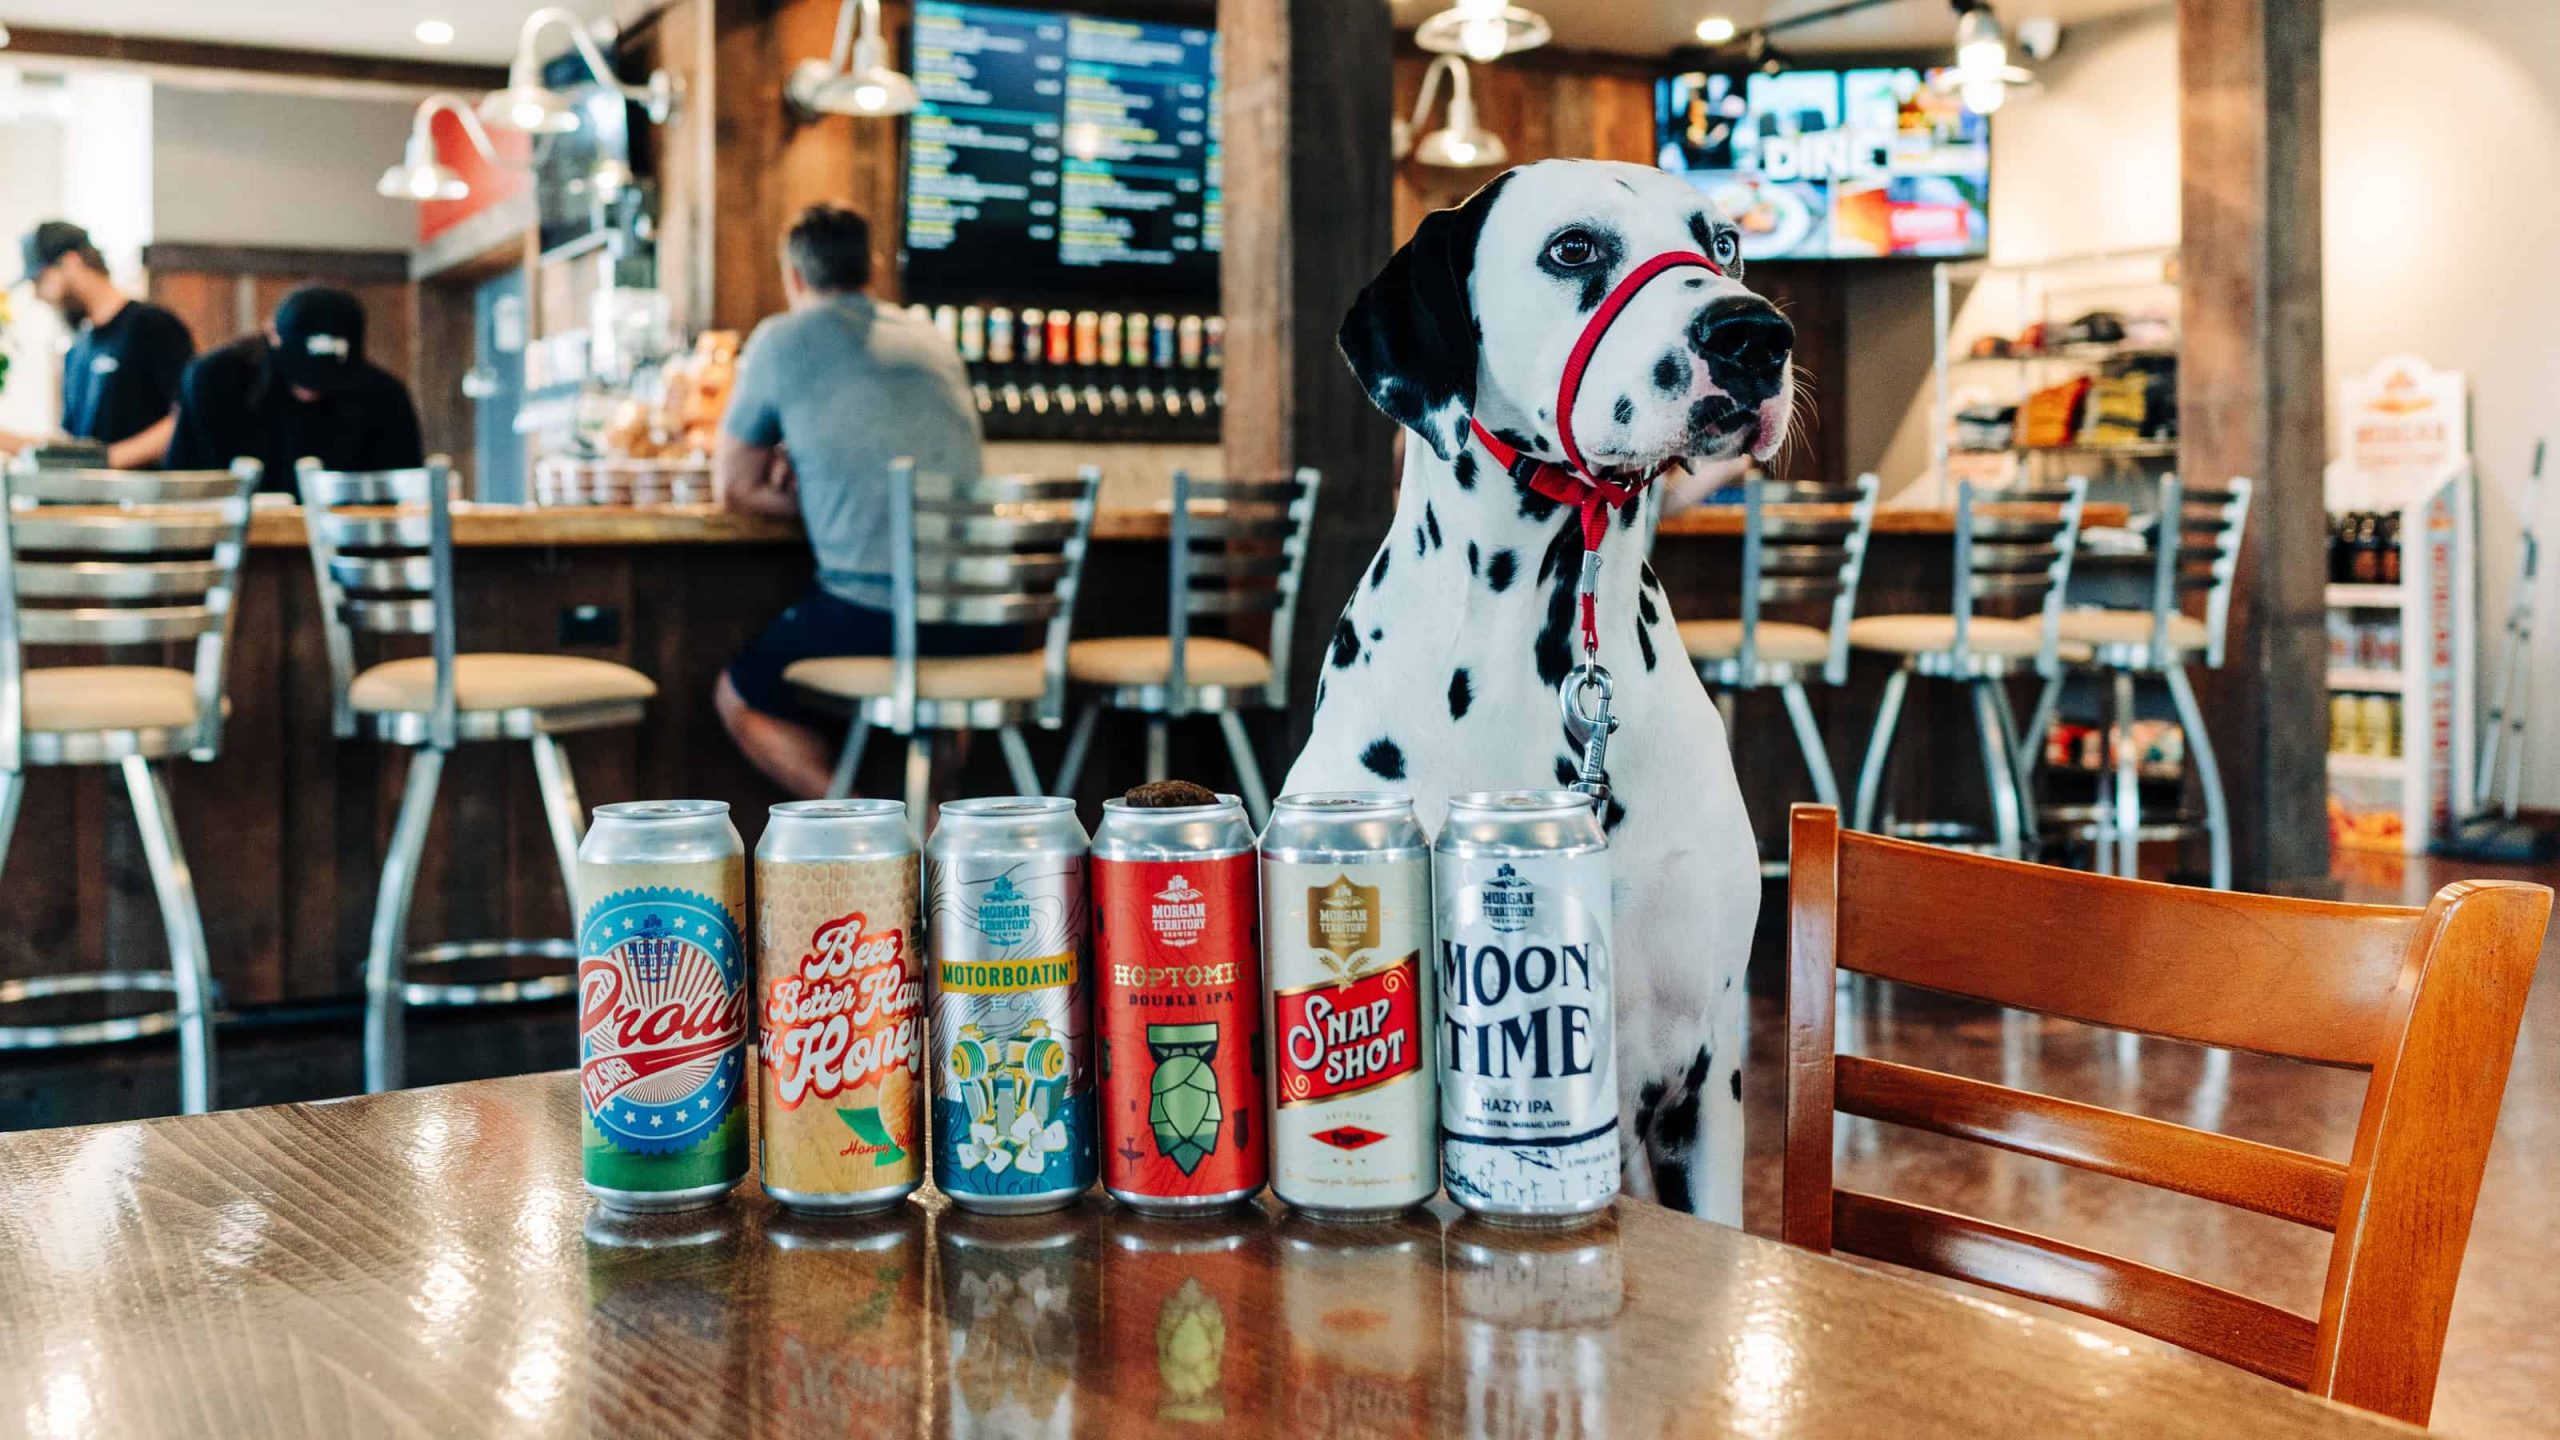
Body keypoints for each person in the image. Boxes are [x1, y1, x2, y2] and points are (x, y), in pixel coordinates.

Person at [714, 202, 1015, 799]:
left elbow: (733, 489)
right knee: (942, 697)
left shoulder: (780, 339)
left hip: (876, 618)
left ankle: (868, 833)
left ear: (794, 277)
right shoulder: (932, 337)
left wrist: (825, 499)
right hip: (984, 620)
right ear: (871, 270)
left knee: (739, 695)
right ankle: (934, 828)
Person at [165, 286, 423, 493]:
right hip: (224, 544)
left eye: (331, 377)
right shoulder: (214, 380)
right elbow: (181, 483)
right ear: (272, 335)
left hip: (350, 548)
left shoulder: (385, 396)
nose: (312, 389)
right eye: (302, 372)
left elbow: (408, 492)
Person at [0, 221, 194, 468]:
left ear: (71, 263)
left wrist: (110, 461)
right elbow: (73, 443)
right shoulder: (77, 349)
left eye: (40, 280)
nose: (38, 295)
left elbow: (185, 415)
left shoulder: (152, 325)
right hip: (92, 502)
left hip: (146, 501)